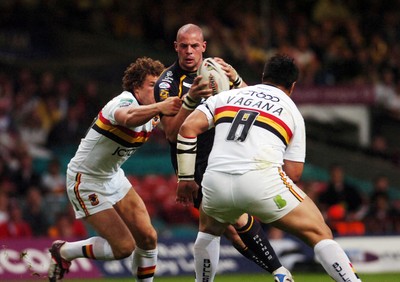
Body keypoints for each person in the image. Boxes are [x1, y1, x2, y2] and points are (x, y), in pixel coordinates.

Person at [176, 54, 362, 282]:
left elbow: (186, 128)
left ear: (263, 77)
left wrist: (185, 179)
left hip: (216, 181)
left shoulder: (227, 96)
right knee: (320, 232)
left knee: (208, 232)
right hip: (261, 181)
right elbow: (294, 173)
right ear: (293, 86)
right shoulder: (291, 110)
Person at [154, 23, 293, 281]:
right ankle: (279, 271)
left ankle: (278, 271)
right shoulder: (167, 84)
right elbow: (172, 133)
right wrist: (190, 100)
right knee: (231, 225)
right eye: (183, 46)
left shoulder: (218, 70)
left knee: (231, 225)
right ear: (176, 47)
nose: (189, 51)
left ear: (203, 47)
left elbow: (257, 102)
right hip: (192, 163)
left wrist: (239, 80)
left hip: (224, 153)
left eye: (195, 46)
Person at [47, 57, 181, 282]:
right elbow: (127, 117)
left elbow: (173, 133)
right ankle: (63, 252)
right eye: (151, 85)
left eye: (159, 86)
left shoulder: (154, 111)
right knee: (123, 248)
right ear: (137, 87)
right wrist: (161, 106)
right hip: (85, 179)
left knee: (148, 237)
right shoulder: (123, 101)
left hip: (112, 176)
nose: (157, 91)